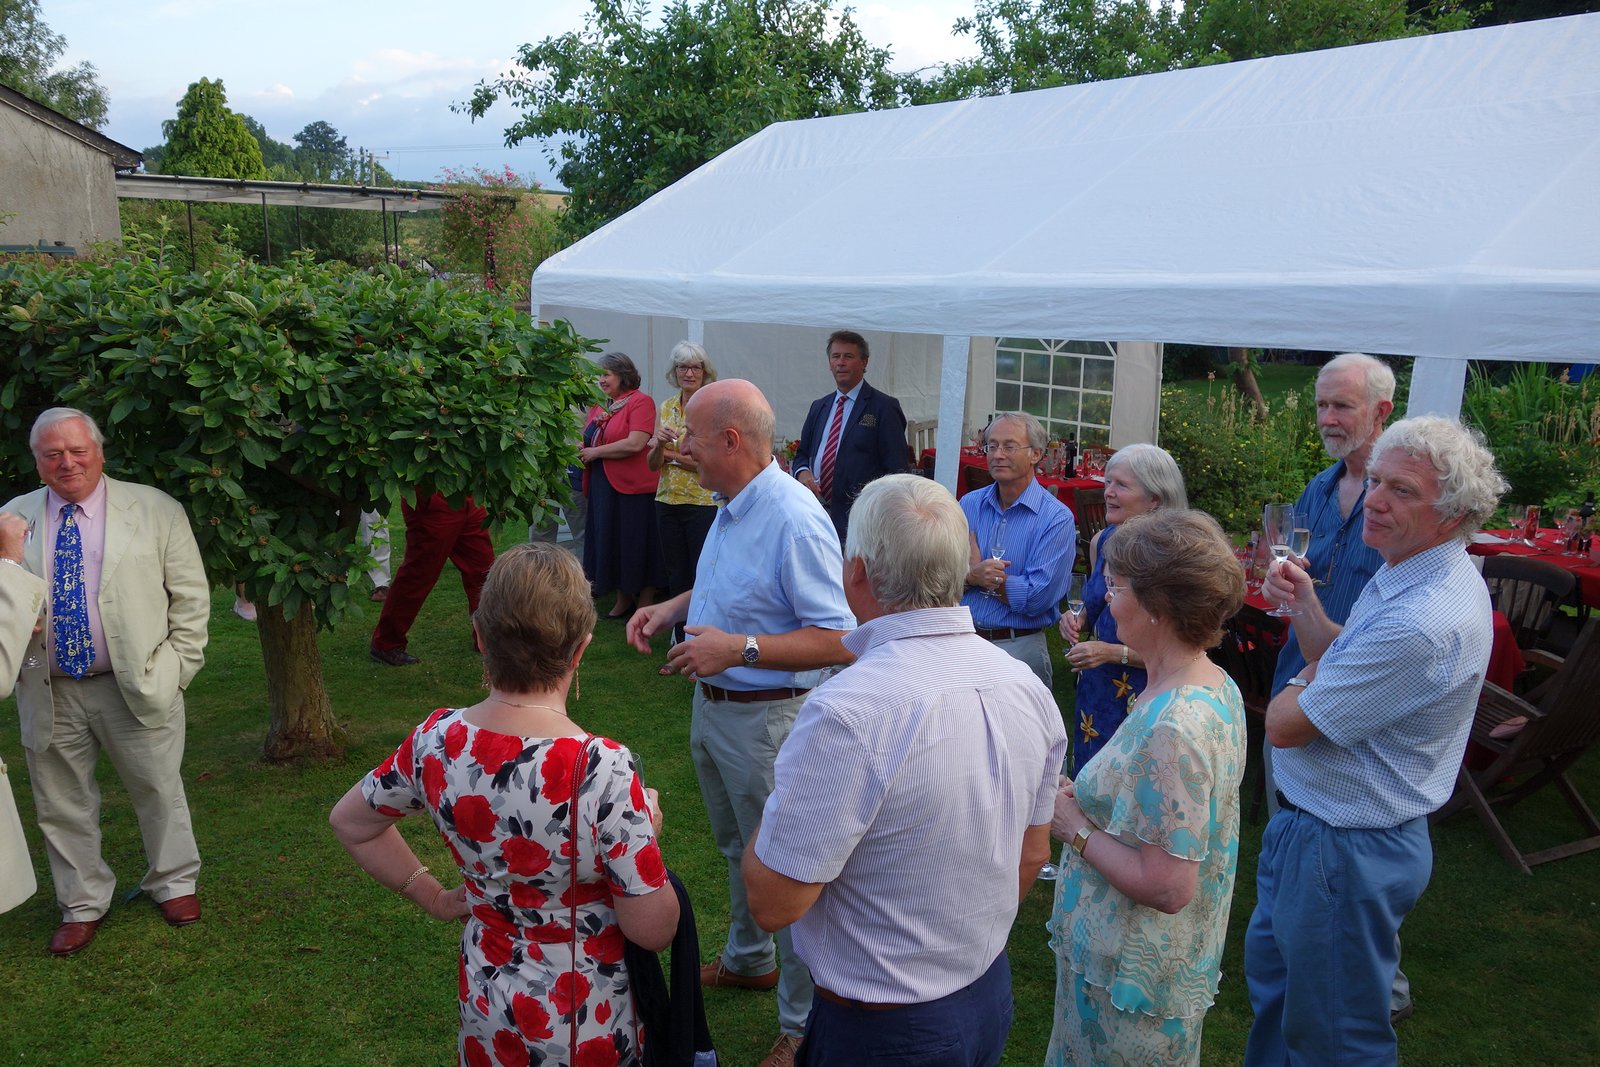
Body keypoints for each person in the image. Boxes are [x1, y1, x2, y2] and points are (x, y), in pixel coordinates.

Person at [742, 474, 1068, 1066]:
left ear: (857, 574)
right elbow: (1032, 854)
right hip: (984, 994)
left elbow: (773, 901)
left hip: (885, 1023)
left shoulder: (848, 711)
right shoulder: (1027, 686)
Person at [331, 543, 679, 1066]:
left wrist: (434, 897)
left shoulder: (437, 740)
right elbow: (653, 929)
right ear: (580, 650)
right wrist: (643, 833)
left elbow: (351, 822)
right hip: (584, 1018)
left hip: (487, 1000)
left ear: (479, 636)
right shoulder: (601, 769)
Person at [1243, 416, 1503, 1067]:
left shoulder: (1423, 618)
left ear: (1455, 514)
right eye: (1376, 481)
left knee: (1337, 1040)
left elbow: (1283, 725)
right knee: (1283, 1006)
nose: (1376, 500)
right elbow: (1343, 655)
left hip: (1343, 850)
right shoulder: (1412, 572)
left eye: (1402, 490)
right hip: (1321, 833)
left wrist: (1308, 676)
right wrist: (1307, 606)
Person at [626, 379, 855, 1067]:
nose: (680, 447)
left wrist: (740, 650)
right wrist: (673, 607)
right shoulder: (733, 502)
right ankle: (749, 959)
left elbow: (840, 638)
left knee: (784, 867)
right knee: (738, 848)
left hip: (768, 721)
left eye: (691, 437)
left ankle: (800, 1024)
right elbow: (733, 585)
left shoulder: (794, 517)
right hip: (719, 710)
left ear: (730, 440)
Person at [4, 407, 209, 956]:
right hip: (48, 688)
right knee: (60, 802)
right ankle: (82, 903)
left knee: (158, 788)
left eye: (78, 451)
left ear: (98, 452)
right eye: (52, 454)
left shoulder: (155, 508)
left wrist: (177, 669)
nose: (67, 463)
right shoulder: (10, 519)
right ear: (37, 462)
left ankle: (174, 882)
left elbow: (191, 599)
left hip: (137, 682)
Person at [1046, 509, 1248, 1065]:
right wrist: (1089, 800)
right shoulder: (1211, 682)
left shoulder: (1176, 726)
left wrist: (1075, 829)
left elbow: (1168, 886)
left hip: (1129, 989)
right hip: (1120, 969)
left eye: (1116, 586)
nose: (1108, 601)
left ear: (1157, 606)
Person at [1261, 353, 1413, 1024]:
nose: (1327, 417)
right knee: (1294, 822)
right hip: (1300, 673)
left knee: (1357, 839)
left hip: (1363, 690)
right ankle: (1297, 949)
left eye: (1342, 405)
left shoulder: (1401, 508)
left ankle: (1383, 985)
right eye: (1322, 404)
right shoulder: (1319, 489)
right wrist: (1284, 583)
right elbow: (1300, 572)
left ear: (1382, 410)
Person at [1060, 443, 1187, 773]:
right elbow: (1095, 608)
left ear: (1154, 498)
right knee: (1087, 777)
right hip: (1095, 688)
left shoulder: (1170, 559)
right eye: (1107, 483)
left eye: (1121, 485)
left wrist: (1111, 653)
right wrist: (1075, 618)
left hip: (1141, 694)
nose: (1108, 493)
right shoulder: (1103, 541)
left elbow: (1185, 654)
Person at [959, 412, 1076, 687]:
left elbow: (1037, 598)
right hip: (963, 642)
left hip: (1018, 647)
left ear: (1036, 454)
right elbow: (940, 579)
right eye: (992, 446)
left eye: (1009, 446)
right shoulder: (969, 504)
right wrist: (972, 576)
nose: (998, 455)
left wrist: (986, 578)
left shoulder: (1056, 519)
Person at [790, 330, 909, 543]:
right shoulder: (819, 407)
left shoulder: (884, 407)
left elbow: (897, 472)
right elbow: (802, 455)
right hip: (815, 515)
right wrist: (803, 472)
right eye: (835, 356)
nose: (841, 363)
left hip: (859, 523)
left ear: (864, 362)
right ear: (829, 363)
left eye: (848, 356)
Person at [647, 341, 719, 661]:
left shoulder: (711, 406)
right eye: (682, 367)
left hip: (702, 502)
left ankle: (703, 638)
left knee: (701, 573)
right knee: (676, 574)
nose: (689, 373)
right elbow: (653, 464)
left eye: (695, 367)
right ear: (674, 372)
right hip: (667, 500)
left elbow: (708, 462)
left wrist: (671, 455)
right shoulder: (666, 407)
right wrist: (656, 448)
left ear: (705, 372)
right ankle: (679, 638)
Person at [580, 351, 665, 619]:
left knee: (636, 541)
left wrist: (596, 452)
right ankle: (623, 597)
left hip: (633, 487)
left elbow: (636, 443)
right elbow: (592, 436)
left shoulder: (641, 402)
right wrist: (583, 447)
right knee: (610, 539)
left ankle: (646, 598)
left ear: (623, 375)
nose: (601, 380)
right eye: (600, 375)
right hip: (603, 484)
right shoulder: (602, 405)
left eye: (606, 375)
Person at [368, 490, 495, 667]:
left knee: (484, 571)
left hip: (467, 492)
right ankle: (386, 643)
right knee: (418, 574)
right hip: (433, 495)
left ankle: (488, 638)